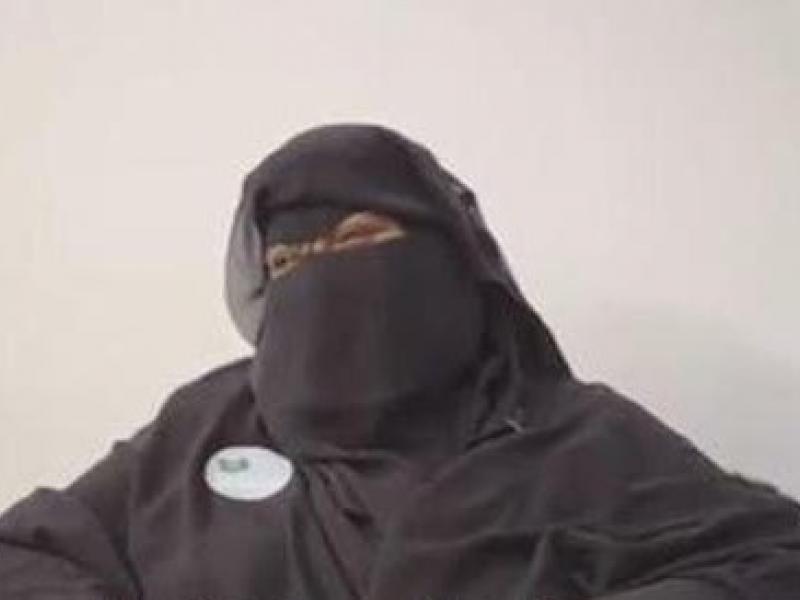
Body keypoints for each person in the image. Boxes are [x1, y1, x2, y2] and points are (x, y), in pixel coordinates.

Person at [1, 123, 798, 600]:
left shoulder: (579, 435)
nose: (321, 277)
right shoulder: (207, 424)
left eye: (356, 241)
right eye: (289, 262)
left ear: (449, 255)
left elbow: (771, 559)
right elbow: (27, 551)